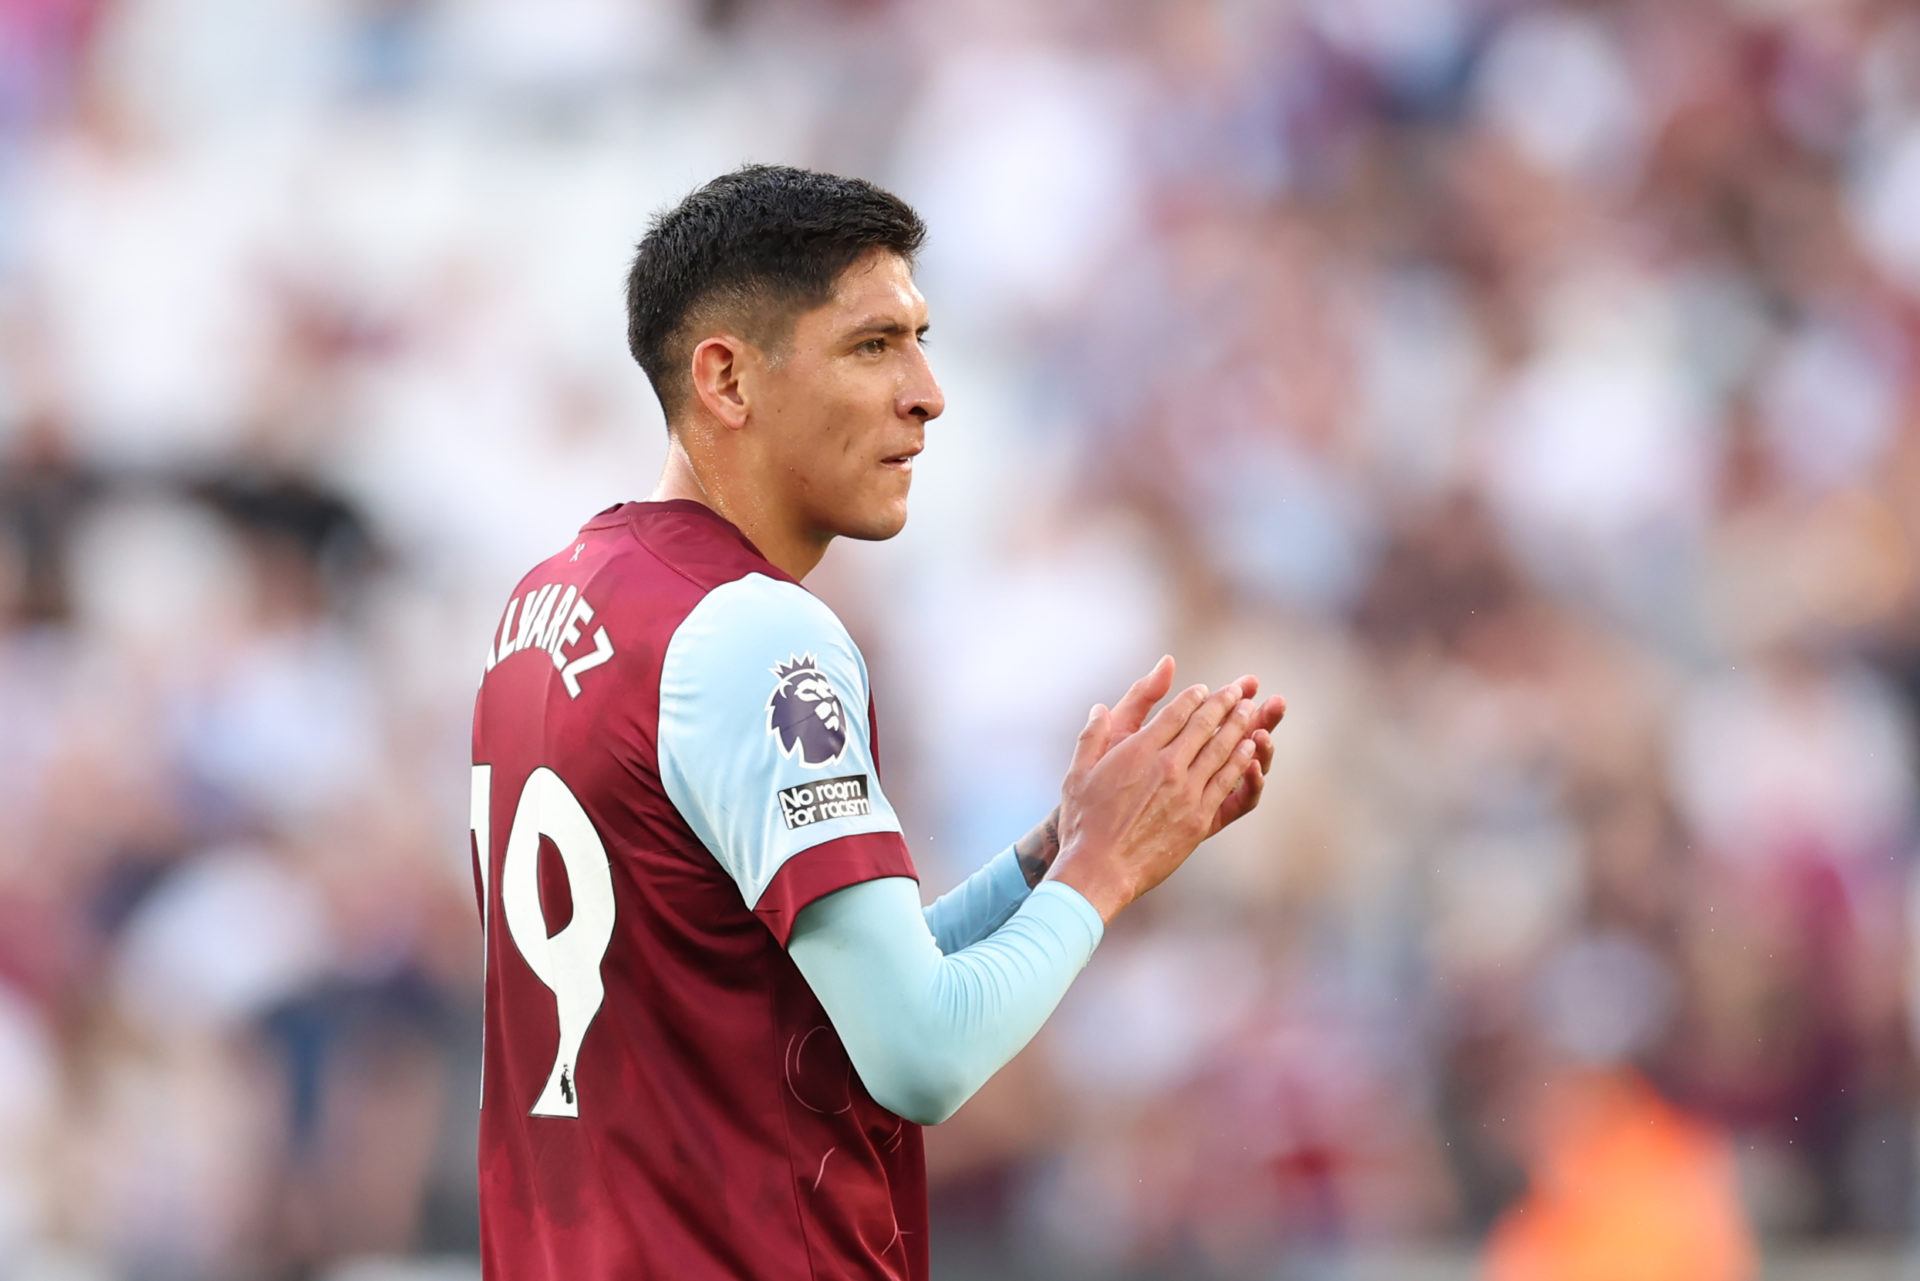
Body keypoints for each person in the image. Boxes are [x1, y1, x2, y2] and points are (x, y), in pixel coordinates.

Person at [467, 164, 1286, 1280]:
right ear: (727, 379)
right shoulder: (754, 633)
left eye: (922, 338)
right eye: (872, 346)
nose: (929, 392)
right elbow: (920, 1052)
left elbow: (792, 1000)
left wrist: (1046, 857)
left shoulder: (548, 604)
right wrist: (1107, 871)